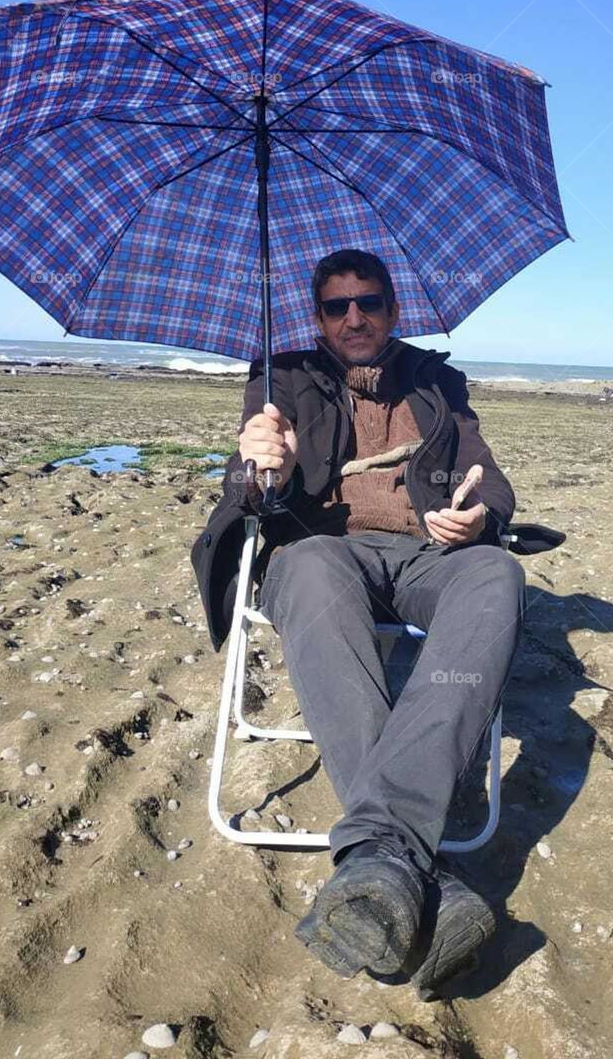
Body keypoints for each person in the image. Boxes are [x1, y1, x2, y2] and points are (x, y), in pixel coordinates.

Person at [191, 248, 525, 997]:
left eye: (368, 302)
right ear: (317, 318)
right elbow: (250, 488)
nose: (354, 318)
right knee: (304, 567)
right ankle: (421, 873)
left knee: (499, 573)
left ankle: (381, 858)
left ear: (393, 310)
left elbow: (490, 478)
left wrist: (477, 517)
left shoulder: (436, 383)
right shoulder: (281, 377)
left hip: (426, 556)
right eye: (337, 306)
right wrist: (259, 465)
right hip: (326, 549)